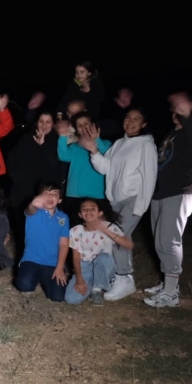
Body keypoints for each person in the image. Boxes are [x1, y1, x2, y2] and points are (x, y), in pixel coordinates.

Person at [81, 107, 157, 301]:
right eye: (128, 118)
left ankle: (124, 278)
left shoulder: (146, 145)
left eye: (136, 119)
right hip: (115, 199)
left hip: (134, 198)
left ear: (144, 124)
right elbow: (104, 168)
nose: (130, 122)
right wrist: (93, 150)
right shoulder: (119, 144)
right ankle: (122, 277)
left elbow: (150, 176)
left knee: (118, 235)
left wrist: (141, 206)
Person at [143, 94, 192, 308]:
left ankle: (171, 294)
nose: (176, 110)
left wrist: (186, 107)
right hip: (160, 193)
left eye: (183, 108)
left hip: (179, 193)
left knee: (169, 242)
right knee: (159, 242)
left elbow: (191, 121)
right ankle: (168, 284)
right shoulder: (172, 134)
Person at [6, 109, 62, 253]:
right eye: (41, 121)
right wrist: (14, 175)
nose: (44, 125)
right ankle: (24, 255)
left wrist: (43, 144)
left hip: (44, 192)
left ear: (53, 124)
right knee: (22, 226)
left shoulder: (57, 140)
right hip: (23, 191)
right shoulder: (26, 138)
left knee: (44, 227)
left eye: (48, 122)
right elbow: (12, 158)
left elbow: (56, 164)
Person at [64, 198, 132, 306]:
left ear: (100, 213)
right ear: (80, 214)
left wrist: (105, 230)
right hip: (85, 266)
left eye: (92, 209)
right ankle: (91, 284)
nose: (88, 211)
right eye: (84, 209)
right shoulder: (75, 231)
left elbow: (128, 245)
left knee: (103, 258)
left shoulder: (109, 226)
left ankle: (97, 289)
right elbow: (76, 257)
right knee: (71, 299)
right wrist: (79, 279)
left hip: (104, 265)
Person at [14, 184, 70, 302]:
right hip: (32, 260)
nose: (50, 196)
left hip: (53, 263)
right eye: (46, 193)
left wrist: (60, 267)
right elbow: (30, 208)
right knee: (25, 284)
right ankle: (31, 278)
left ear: (60, 200)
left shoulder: (63, 218)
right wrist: (34, 203)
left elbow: (64, 244)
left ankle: (45, 280)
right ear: (39, 196)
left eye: (54, 194)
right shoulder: (34, 212)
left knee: (58, 297)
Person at [57, 111, 111, 222]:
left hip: (96, 195)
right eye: (79, 125)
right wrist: (62, 136)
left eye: (86, 123)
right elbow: (63, 156)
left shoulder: (106, 143)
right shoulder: (75, 146)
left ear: (93, 125)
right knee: (74, 227)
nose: (83, 127)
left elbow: (107, 153)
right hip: (74, 194)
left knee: (96, 228)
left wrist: (96, 139)